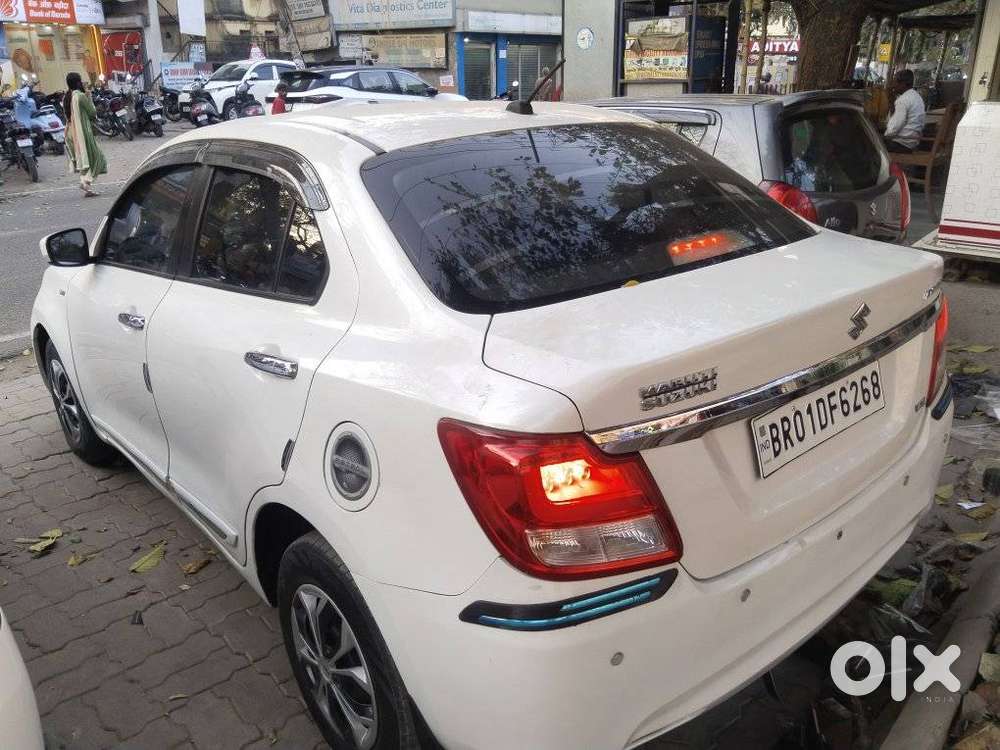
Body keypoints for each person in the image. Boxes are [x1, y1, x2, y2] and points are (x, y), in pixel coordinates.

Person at [63, 72, 106, 196]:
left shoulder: (67, 97)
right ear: (77, 82)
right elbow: (92, 112)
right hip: (82, 132)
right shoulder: (80, 96)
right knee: (97, 157)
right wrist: (89, 97)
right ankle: (86, 182)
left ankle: (86, 185)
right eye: (80, 81)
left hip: (71, 132)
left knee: (85, 159)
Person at [884, 69, 925, 153]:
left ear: (902, 84)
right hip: (912, 142)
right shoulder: (916, 96)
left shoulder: (903, 100)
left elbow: (893, 129)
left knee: (870, 143)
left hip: (901, 144)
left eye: (894, 82)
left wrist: (884, 136)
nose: (892, 85)